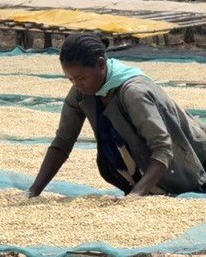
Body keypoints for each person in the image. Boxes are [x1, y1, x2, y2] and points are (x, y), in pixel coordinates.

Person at [27, 32, 206, 198]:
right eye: (71, 79)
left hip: (194, 164)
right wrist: (33, 191)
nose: (77, 84)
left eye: (81, 78)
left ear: (101, 64)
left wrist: (135, 196)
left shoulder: (134, 93)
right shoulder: (81, 94)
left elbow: (162, 148)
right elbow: (62, 142)